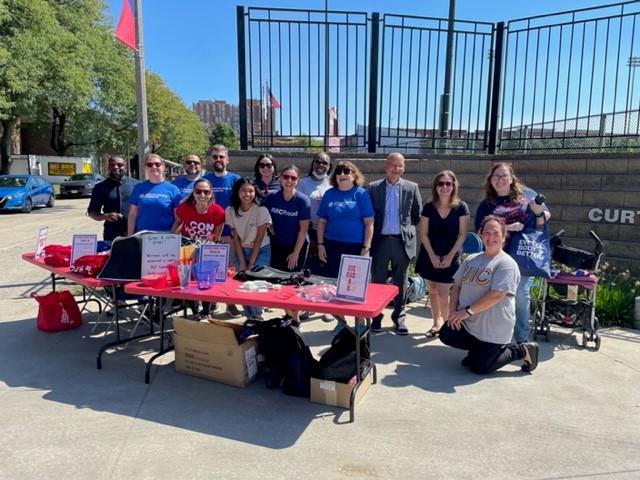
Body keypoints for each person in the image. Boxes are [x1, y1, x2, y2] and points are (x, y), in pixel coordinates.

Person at [439, 215, 539, 374]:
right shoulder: (471, 259)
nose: (490, 237)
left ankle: (522, 350)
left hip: (493, 327)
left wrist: (466, 312)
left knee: (480, 368)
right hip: (470, 323)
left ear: (504, 236)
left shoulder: (506, 264)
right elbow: (456, 286)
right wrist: (452, 312)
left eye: (496, 233)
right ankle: (477, 352)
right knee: (447, 333)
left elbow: (497, 294)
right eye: (487, 232)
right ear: (480, 234)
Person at [475, 162, 550, 344]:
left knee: (520, 295)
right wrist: (507, 227)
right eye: (496, 176)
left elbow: (545, 216)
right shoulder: (487, 204)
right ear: (490, 180)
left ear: (511, 178)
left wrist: (538, 212)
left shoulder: (527, 194)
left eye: (504, 176)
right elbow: (479, 231)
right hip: (498, 256)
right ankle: (497, 334)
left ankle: (522, 337)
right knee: (496, 294)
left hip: (524, 254)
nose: (500, 180)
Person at [316, 160, 374, 334]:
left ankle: (361, 322)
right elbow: (321, 222)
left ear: (354, 175)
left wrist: (366, 247)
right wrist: (320, 245)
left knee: (355, 286)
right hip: (332, 244)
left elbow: (369, 223)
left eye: (346, 171)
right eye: (339, 171)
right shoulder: (329, 194)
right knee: (335, 286)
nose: (342, 174)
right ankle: (341, 321)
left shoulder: (361, 195)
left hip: (355, 245)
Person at [367, 152, 422, 335]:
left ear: (404, 167)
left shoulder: (411, 187)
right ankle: (376, 318)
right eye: (393, 165)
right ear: (386, 166)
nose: (396, 169)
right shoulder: (373, 188)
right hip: (380, 241)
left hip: (401, 241)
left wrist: (408, 231)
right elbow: (369, 216)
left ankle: (399, 318)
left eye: (400, 166)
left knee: (401, 281)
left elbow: (417, 215)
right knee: (378, 281)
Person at [415, 170, 469, 338]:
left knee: (443, 292)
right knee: (432, 289)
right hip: (430, 254)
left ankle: (448, 326)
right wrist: (432, 255)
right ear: (435, 187)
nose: (444, 187)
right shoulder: (428, 208)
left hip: (450, 256)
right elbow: (423, 233)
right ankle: (436, 323)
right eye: (441, 183)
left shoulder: (461, 207)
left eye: (448, 183)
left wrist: (450, 256)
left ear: (454, 186)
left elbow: (463, 234)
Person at [263, 165, 311, 325]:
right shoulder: (271, 197)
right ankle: (288, 315)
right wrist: (271, 228)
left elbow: (303, 229)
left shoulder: (302, 200)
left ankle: (296, 320)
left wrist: (296, 253)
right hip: (278, 245)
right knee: (279, 283)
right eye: (286, 177)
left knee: (293, 284)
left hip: (297, 246)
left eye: (293, 178)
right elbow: (263, 216)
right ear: (280, 178)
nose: (289, 180)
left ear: (297, 180)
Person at [172, 178, 225, 319]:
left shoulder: (218, 211)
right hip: (187, 247)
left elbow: (217, 236)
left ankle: (206, 311)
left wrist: (215, 250)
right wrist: (170, 242)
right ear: (193, 192)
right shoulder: (184, 207)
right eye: (198, 191)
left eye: (206, 192)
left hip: (206, 249)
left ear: (211, 193)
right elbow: (177, 224)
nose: (202, 195)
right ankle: (194, 312)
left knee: (205, 280)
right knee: (188, 280)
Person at [203, 145, 242, 317]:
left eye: (221, 157)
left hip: (230, 232)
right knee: (210, 269)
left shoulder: (235, 179)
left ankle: (230, 302)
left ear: (227, 159)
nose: (218, 159)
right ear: (211, 159)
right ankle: (211, 301)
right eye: (215, 157)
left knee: (230, 269)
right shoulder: (206, 179)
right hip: (210, 233)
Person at [225, 177, 272, 320]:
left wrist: (250, 264)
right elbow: (236, 239)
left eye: (251, 191)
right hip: (241, 248)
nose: (247, 194)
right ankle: (250, 316)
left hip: (261, 249)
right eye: (243, 190)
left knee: (256, 282)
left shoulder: (261, 211)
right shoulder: (230, 210)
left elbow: (259, 240)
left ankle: (257, 315)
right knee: (241, 283)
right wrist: (242, 262)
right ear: (237, 192)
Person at [87, 156, 140, 241]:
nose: (115, 167)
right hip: (111, 234)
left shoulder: (138, 185)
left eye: (119, 165)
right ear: (108, 167)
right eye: (112, 164)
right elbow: (92, 212)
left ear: (125, 168)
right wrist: (105, 216)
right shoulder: (100, 188)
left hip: (136, 232)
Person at [127, 154, 182, 235]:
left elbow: (178, 219)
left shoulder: (173, 189)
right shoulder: (138, 188)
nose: (154, 167)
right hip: (142, 235)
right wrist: (130, 236)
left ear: (163, 166)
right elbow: (132, 214)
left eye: (157, 164)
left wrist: (172, 236)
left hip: (165, 235)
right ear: (145, 167)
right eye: (150, 164)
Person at [297, 152, 333, 276]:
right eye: (318, 161)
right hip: (310, 231)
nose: (320, 165)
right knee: (312, 269)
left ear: (329, 166)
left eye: (325, 163)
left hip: (329, 231)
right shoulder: (303, 183)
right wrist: (308, 235)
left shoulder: (333, 183)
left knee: (327, 268)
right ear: (313, 163)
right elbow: (299, 210)